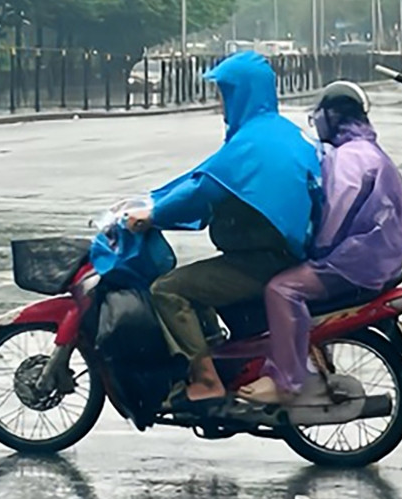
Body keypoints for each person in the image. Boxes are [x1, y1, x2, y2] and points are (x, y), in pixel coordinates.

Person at [126, 52, 320, 411]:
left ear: (241, 93)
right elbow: (205, 174)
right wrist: (155, 200)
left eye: (224, 93)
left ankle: (206, 381)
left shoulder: (251, 143)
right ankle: (218, 355)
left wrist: (153, 215)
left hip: (263, 260)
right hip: (282, 252)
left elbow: (204, 190)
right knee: (198, 282)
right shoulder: (276, 131)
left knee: (167, 289)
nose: (220, 102)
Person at [240, 81, 402, 405]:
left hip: (355, 261)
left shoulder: (351, 157)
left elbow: (336, 212)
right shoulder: (365, 151)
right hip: (374, 256)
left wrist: (309, 249)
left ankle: (287, 380)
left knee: (282, 289)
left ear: (332, 117)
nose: (316, 123)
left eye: (318, 116)